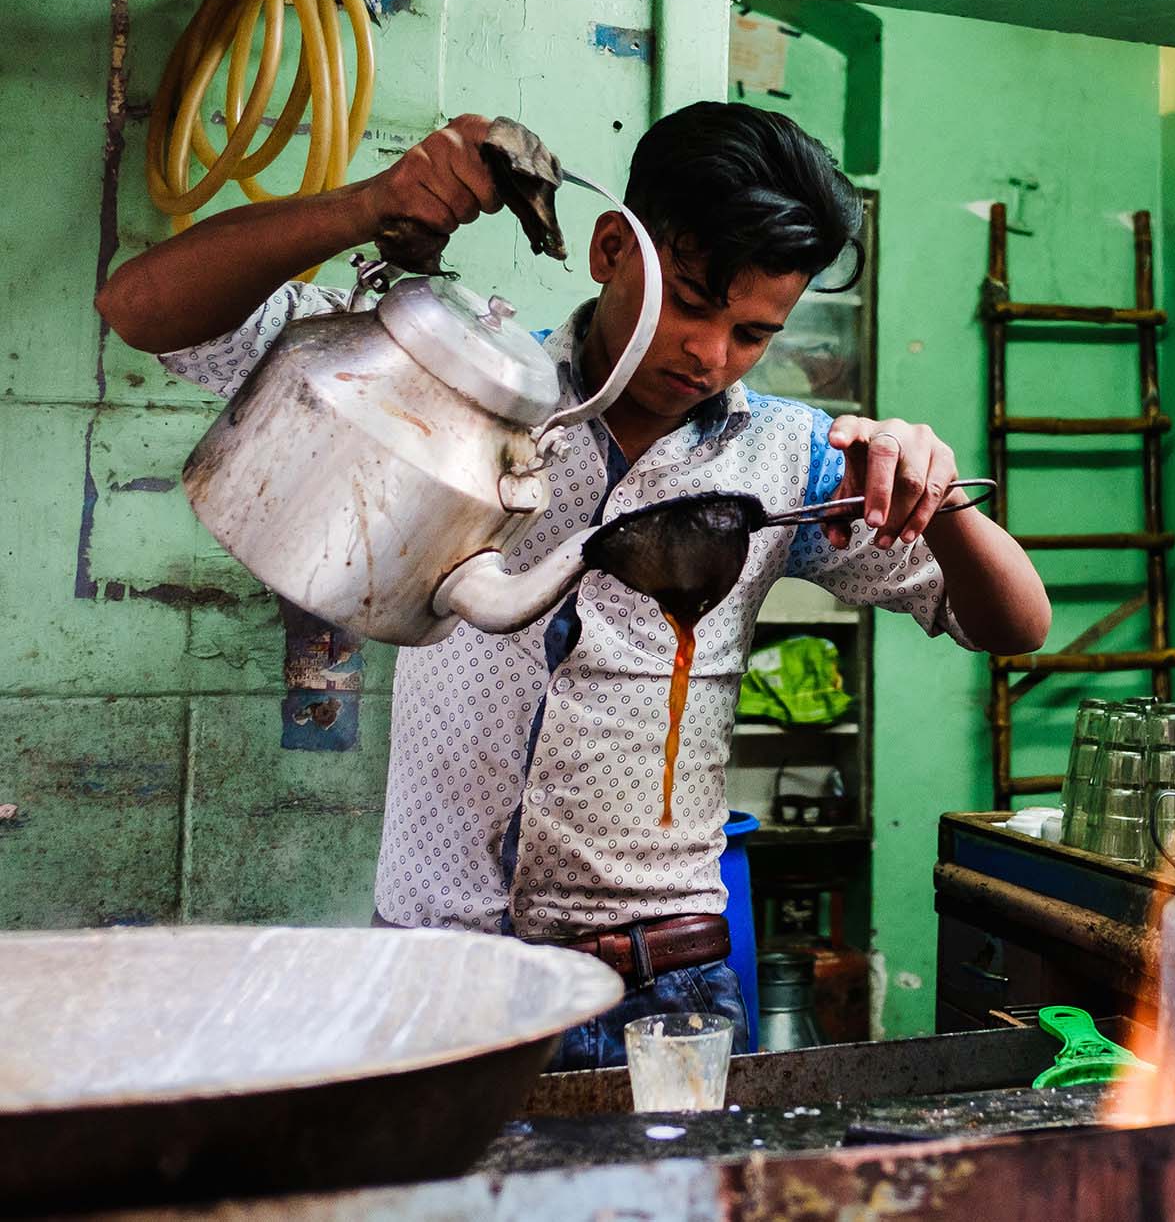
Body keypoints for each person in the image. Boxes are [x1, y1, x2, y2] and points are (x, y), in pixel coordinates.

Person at [97, 103, 1051, 1068]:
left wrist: (944, 496)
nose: (710, 353)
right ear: (609, 247)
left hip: (665, 990)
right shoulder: (458, 381)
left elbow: (1014, 624)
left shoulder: (787, 458)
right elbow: (140, 308)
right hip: (441, 974)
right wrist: (370, 206)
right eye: (689, 300)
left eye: (754, 332)